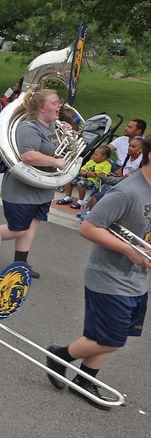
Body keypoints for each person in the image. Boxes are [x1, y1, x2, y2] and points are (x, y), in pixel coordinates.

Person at [45, 134, 151, 410]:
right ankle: (60, 355)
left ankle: (85, 379)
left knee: (108, 336)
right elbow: (89, 227)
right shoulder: (128, 192)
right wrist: (130, 251)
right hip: (110, 276)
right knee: (110, 339)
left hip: (136, 278)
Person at [0, 89, 65, 279]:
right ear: (42, 108)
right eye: (55, 102)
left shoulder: (53, 127)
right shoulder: (29, 128)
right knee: (17, 229)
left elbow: (57, 149)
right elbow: (27, 156)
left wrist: (65, 141)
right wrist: (55, 162)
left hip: (43, 190)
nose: (59, 105)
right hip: (22, 190)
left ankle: (20, 264)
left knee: (31, 227)